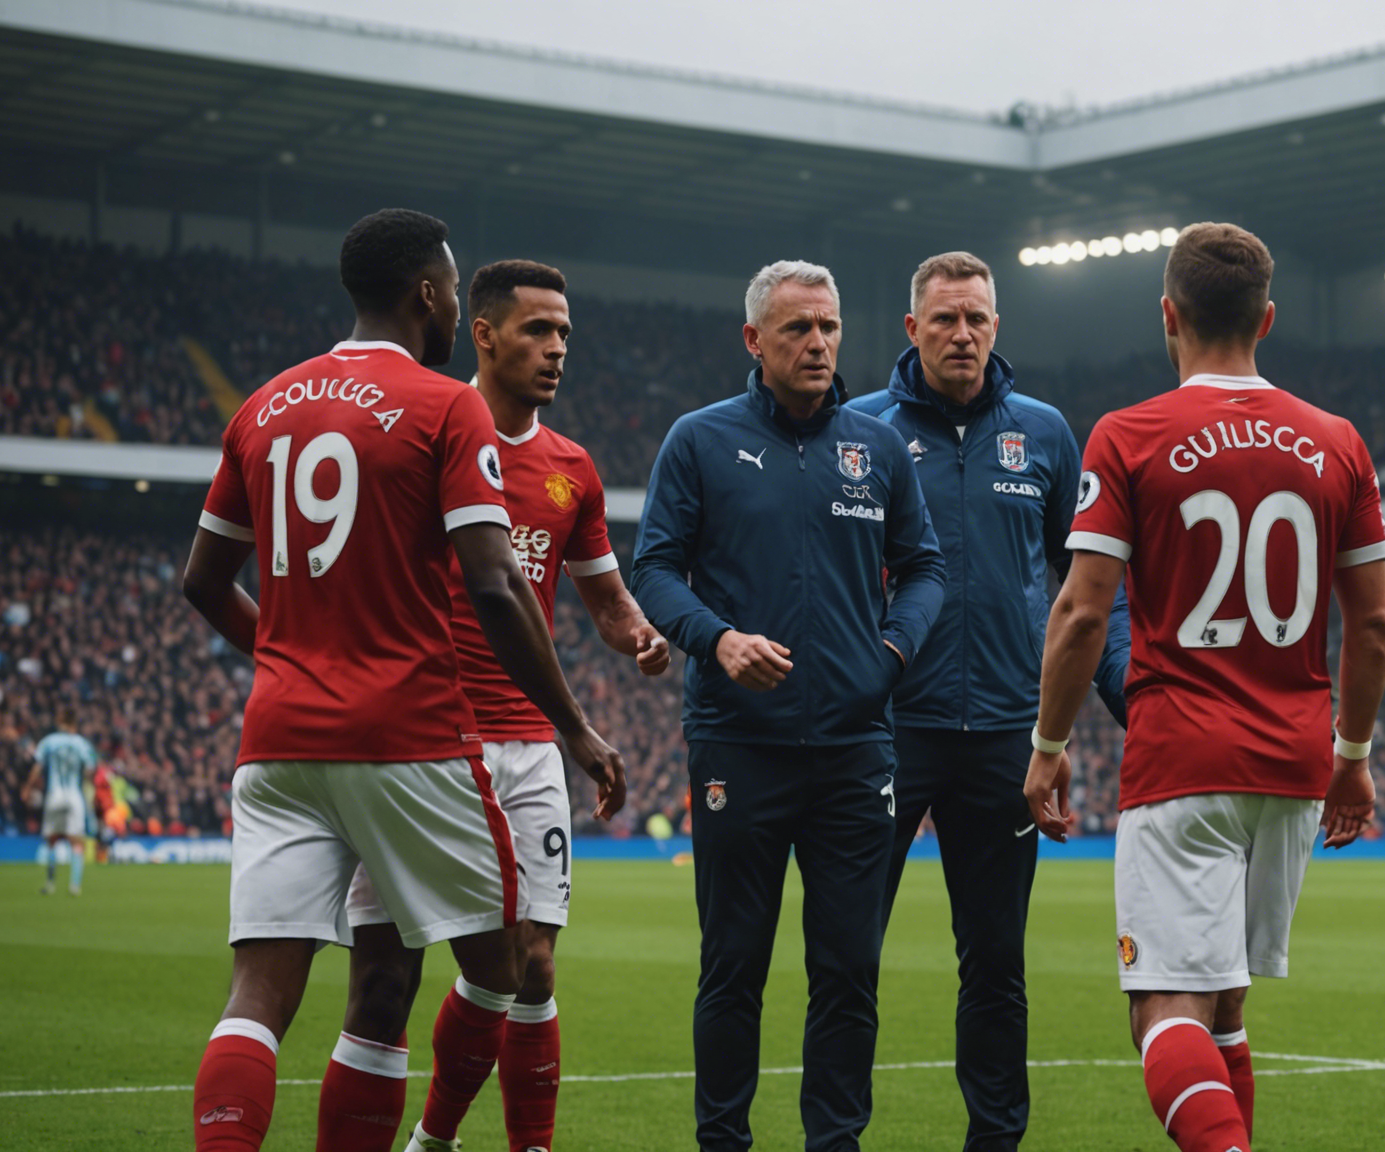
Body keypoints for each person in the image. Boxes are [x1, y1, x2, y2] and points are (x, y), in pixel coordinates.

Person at [181, 208, 627, 1152]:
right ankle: (444, 1138)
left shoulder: (260, 405)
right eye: (454, 288)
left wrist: (284, 659)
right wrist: (577, 730)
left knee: (258, 1001)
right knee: (504, 962)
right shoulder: (443, 404)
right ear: (428, 293)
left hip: (278, 741)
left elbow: (201, 582)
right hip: (409, 735)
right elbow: (497, 582)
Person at [1024, 222, 1385, 1152]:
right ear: (1266, 318)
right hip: (1298, 761)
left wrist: (1049, 748)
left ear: (1167, 315)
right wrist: (1354, 757)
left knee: (1166, 1014)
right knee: (1224, 1008)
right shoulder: (1338, 442)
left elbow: (1079, 613)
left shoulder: (1129, 434)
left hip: (1182, 757)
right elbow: (1376, 625)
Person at [315, 259, 670, 1152]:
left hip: (526, 747)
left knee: (535, 965)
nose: (556, 351)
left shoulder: (570, 469)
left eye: (564, 335)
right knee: (388, 982)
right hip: (420, 743)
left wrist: (641, 637)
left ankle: (472, 1143)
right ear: (482, 332)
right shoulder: (419, 430)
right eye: (537, 331)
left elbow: (603, 598)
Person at [630, 260, 947, 1152]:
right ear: (754, 340)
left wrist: (890, 653)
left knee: (848, 969)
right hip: (740, 745)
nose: (818, 344)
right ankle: (723, 1141)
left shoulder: (877, 446)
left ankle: (833, 1143)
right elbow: (653, 568)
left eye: (830, 328)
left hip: (855, 750)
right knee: (734, 966)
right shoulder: (698, 440)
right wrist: (718, 639)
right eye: (799, 329)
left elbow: (923, 567)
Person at [848, 250, 1128, 1152]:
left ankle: (995, 1143)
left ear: (997, 326)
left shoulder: (1045, 433)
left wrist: (1131, 699)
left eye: (976, 318)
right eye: (944, 319)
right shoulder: (860, 428)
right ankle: (836, 1137)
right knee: (848, 958)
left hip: (1008, 735)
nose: (961, 333)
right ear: (913, 329)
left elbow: (1091, 589)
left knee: (997, 967)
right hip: (885, 733)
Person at [24, 709, 96, 895]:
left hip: (54, 795)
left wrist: (27, 788)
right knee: (77, 842)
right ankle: (75, 886)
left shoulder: (49, 742)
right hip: (74, 796)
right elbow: (90, 771)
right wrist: (89, 788)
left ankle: (50, 884)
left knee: (51, 841)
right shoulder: (81, 743)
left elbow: (37, 768)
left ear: (60, 721)